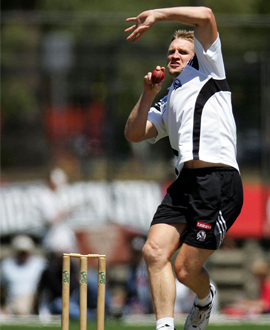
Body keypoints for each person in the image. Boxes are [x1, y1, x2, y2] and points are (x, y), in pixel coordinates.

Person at [124, 6, 243, 330]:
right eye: (171, 51)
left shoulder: (209, 70)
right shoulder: (170, 96)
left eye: (182, 51)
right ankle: (164, 326)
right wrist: (148, 95)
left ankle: (204, 300)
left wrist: (158, 15)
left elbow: (205, 14)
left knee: (186, 270)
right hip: (185, 182)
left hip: (218, 182)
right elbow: (134, 133)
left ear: (197, 54)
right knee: (153, 251)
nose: (174, 55)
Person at [0, 235, 46, 315]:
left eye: (25, 252)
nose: (23, 255)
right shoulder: (6, 265)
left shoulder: (39, 264)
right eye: (20, 252)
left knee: (22, 307)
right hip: (11, 301)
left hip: (31, 299)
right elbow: (2, 288)